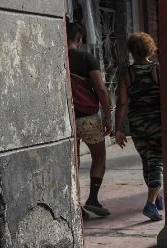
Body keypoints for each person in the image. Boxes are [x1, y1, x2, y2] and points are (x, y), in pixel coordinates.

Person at [114, 32, 164, 221]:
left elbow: (122, 103)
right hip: (155, 122)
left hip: (137, 124)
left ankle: (157, 196)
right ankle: (151, 203)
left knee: (147, 160)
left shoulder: (128, 74)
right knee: (157, 161)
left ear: (132, 51)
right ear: (149, 49)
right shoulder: (157, 70)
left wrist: (118, 129)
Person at [67, 22, 112, 218]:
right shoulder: (86, 58)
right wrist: (108, 115)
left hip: (66, 119)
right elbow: (101, 89)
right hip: (88, 118)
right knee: (99, 156)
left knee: (72, 163)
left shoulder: (53, 56)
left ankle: (75, 206)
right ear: (78, 38)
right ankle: (92, 198)